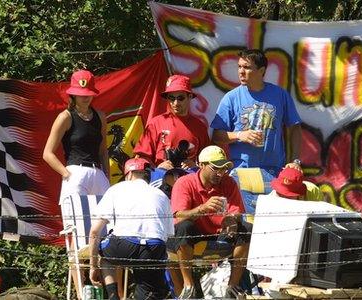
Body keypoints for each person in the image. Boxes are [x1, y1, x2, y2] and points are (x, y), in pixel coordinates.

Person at [43, 69, 110, 299]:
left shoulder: (101, 116)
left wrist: (107, 178)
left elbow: (103, 150)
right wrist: (66, 174)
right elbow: (48, 153)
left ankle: (107, 290)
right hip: (75, 172)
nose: (85, 96)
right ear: (72, 94)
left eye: (88, 92)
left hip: (97, 174)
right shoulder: (65, 117)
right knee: (75, 235)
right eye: (81, 93)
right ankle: (82, 293)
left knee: (106, 232)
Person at [168, 145, 252, 299]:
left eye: (224, 168)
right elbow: (178, 216)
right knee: (183, 227)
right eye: (216, 168)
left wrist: (232, 220)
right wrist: (202, 209)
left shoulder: (229, 182)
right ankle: (189, 286)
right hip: (193, 235)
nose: (221, 173)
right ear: (201, 165)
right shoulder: (185, 183)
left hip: (220, 234)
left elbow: (237, 211)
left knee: (246, 228)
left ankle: (232, 286)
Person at [89, 158, 174, 300]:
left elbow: (94, 232)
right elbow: (169, 234)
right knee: (148, 293)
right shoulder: (161, 195)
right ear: (147, 175)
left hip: (124, 245)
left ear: (128, 174)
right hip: (154, 248)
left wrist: (93, 267)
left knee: (106, 257)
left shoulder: (116, 189)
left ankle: (113, 296)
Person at [210, 49, 302, 175]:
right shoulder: (231, 98)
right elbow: (216, 136)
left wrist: (295, 160)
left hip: (274, 172)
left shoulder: (280, 95)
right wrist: (240, 135)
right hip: (241, 172)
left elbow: (295, 128)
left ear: (262, 71)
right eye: (239, 67)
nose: (241, 72)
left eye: (247, 67)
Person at [133, 74, 210, 170]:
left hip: (190, 181)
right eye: (172, 98)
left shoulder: (199, 127)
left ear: (189, 96)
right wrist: (158, 167)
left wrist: (196, 166)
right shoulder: (155, 123)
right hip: (160, 180)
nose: (176, 103)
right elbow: (141, 158)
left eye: (180, 98)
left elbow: (208, 161)